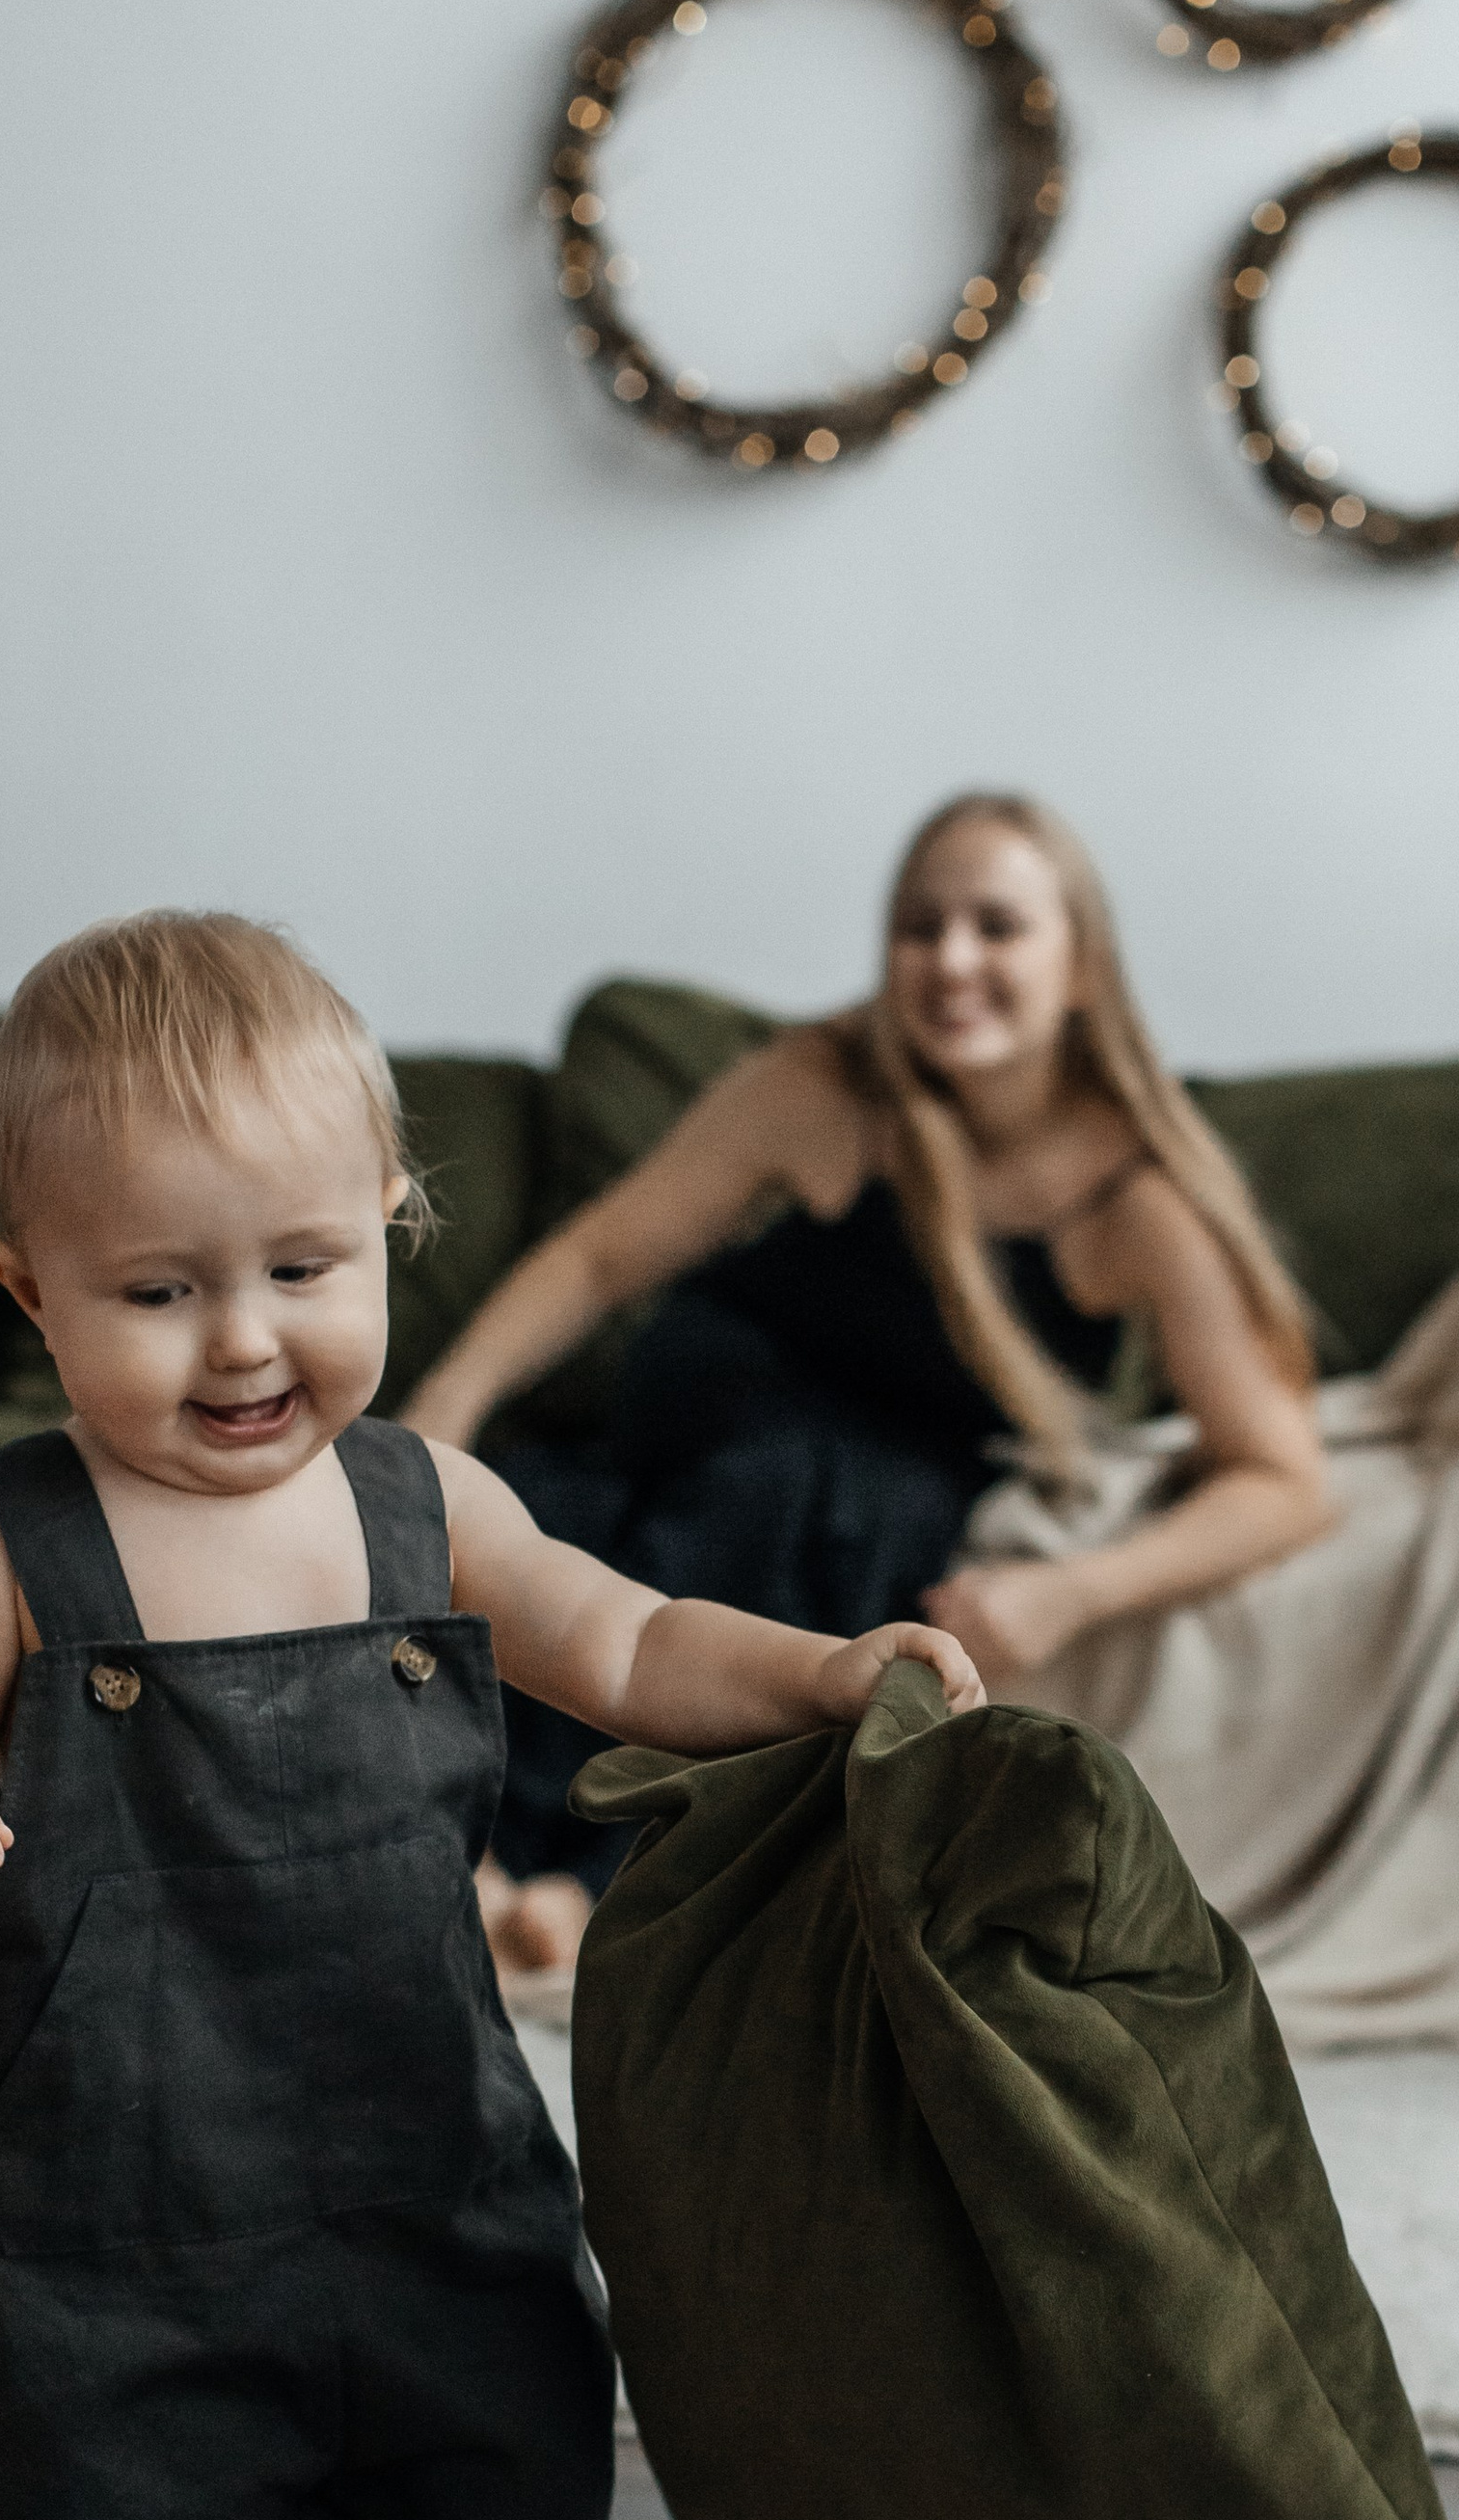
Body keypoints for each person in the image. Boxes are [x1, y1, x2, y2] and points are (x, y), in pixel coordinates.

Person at [0, 911, 980, 2520]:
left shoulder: (423, 1502)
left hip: (427, 2158)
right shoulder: (6, 1534)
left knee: (509, 2467)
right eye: (155, 1293)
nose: (242, 1344)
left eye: (304, 1271)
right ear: (25, 1288)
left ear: (394, 1236)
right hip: (105, 2224)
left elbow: (621, 1645)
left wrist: (815, 1670)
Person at [405, 793, 1336, 1975]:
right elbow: (599, 1258)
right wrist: (441, 1415)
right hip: (715, 1402)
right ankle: (515, 1864)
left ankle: (576, 1875)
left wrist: (1072, 1592)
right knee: (676, 1505)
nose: (951, 960)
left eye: (996, 927)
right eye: (919, 926)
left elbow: (1284, 1479)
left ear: (1081, 967)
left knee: (828, 1526)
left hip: (874, 1492)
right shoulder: (826, 1084)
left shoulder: (1134, 1196)